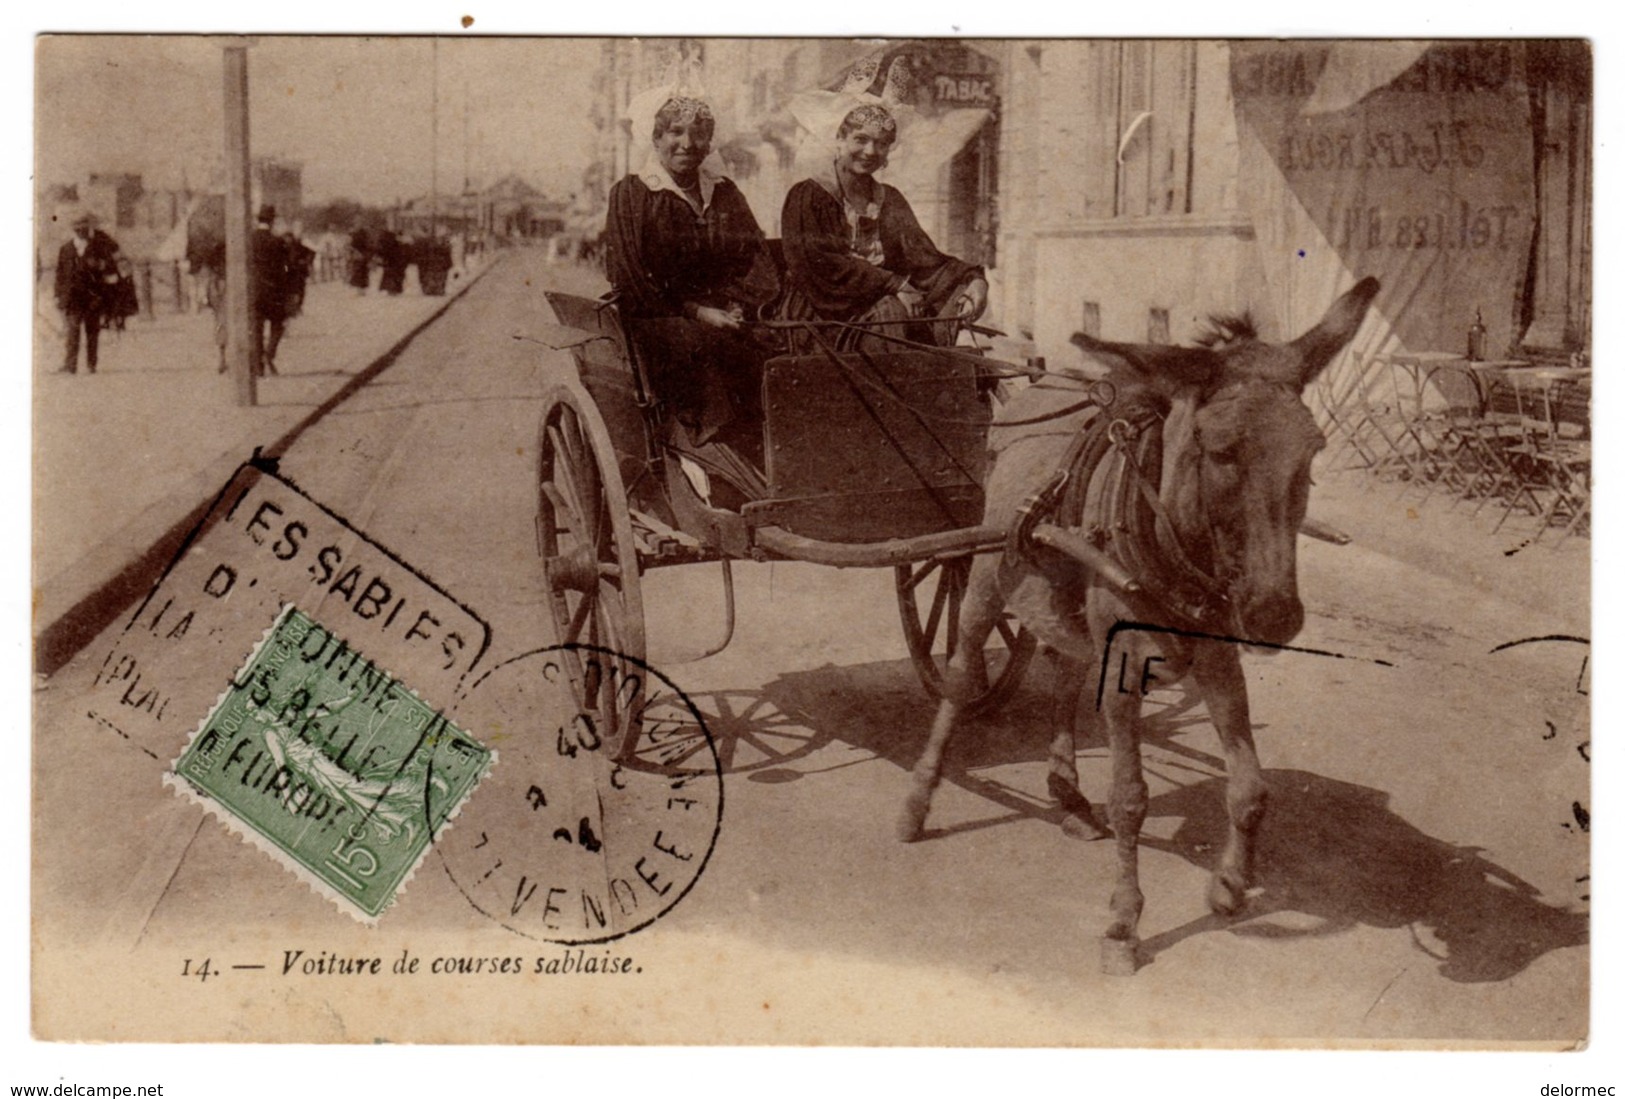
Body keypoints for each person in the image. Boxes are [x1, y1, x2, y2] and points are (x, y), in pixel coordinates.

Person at [603, 95, 777, 449]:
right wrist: (696, 311)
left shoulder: (724, 192)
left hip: (724, 313)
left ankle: (771, 443)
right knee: (701, 345)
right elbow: (632, 276)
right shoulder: (633, 194)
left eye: (698, 134)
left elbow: (752, 256)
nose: (687, 144)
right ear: (655, 139)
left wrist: (741, 303)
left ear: (709, 142)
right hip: (659, 317)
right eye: (675, 132)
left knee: (779, 342)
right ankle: (710, 452)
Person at [779, 102, 988, 353]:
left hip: (883, 310)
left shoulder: (889, 199)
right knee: (891, 312)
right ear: (839, 139)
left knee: (923, 314)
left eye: (881, 143)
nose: (870, 151)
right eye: (861, 139)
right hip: (822, 316)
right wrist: (894, 285)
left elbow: (924, 258)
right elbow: (819, 264)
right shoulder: (809, 195)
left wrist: (973, 280)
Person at [53, 209, 122, 374]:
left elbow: (110, 269)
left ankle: (92, 364)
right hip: (72, 297)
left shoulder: (98, 247)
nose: (81, 231)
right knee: (73, 330)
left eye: (83, 227)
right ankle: (71, 365)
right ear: (73, 230)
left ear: (88, 228)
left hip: (93, 297)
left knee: (92, 331)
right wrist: (58, 295)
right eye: (77, 228)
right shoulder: (66, 249)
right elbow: (60, 274)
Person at [251, 204, 292, 375]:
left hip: (254, 290)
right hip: (273, 290)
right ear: (272, 220)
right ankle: (269, 355)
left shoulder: (249, 240)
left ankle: (259, 363)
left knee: (257, 327)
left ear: (258, 219)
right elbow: (285, 268)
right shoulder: (277, 241)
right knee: (278, 325)